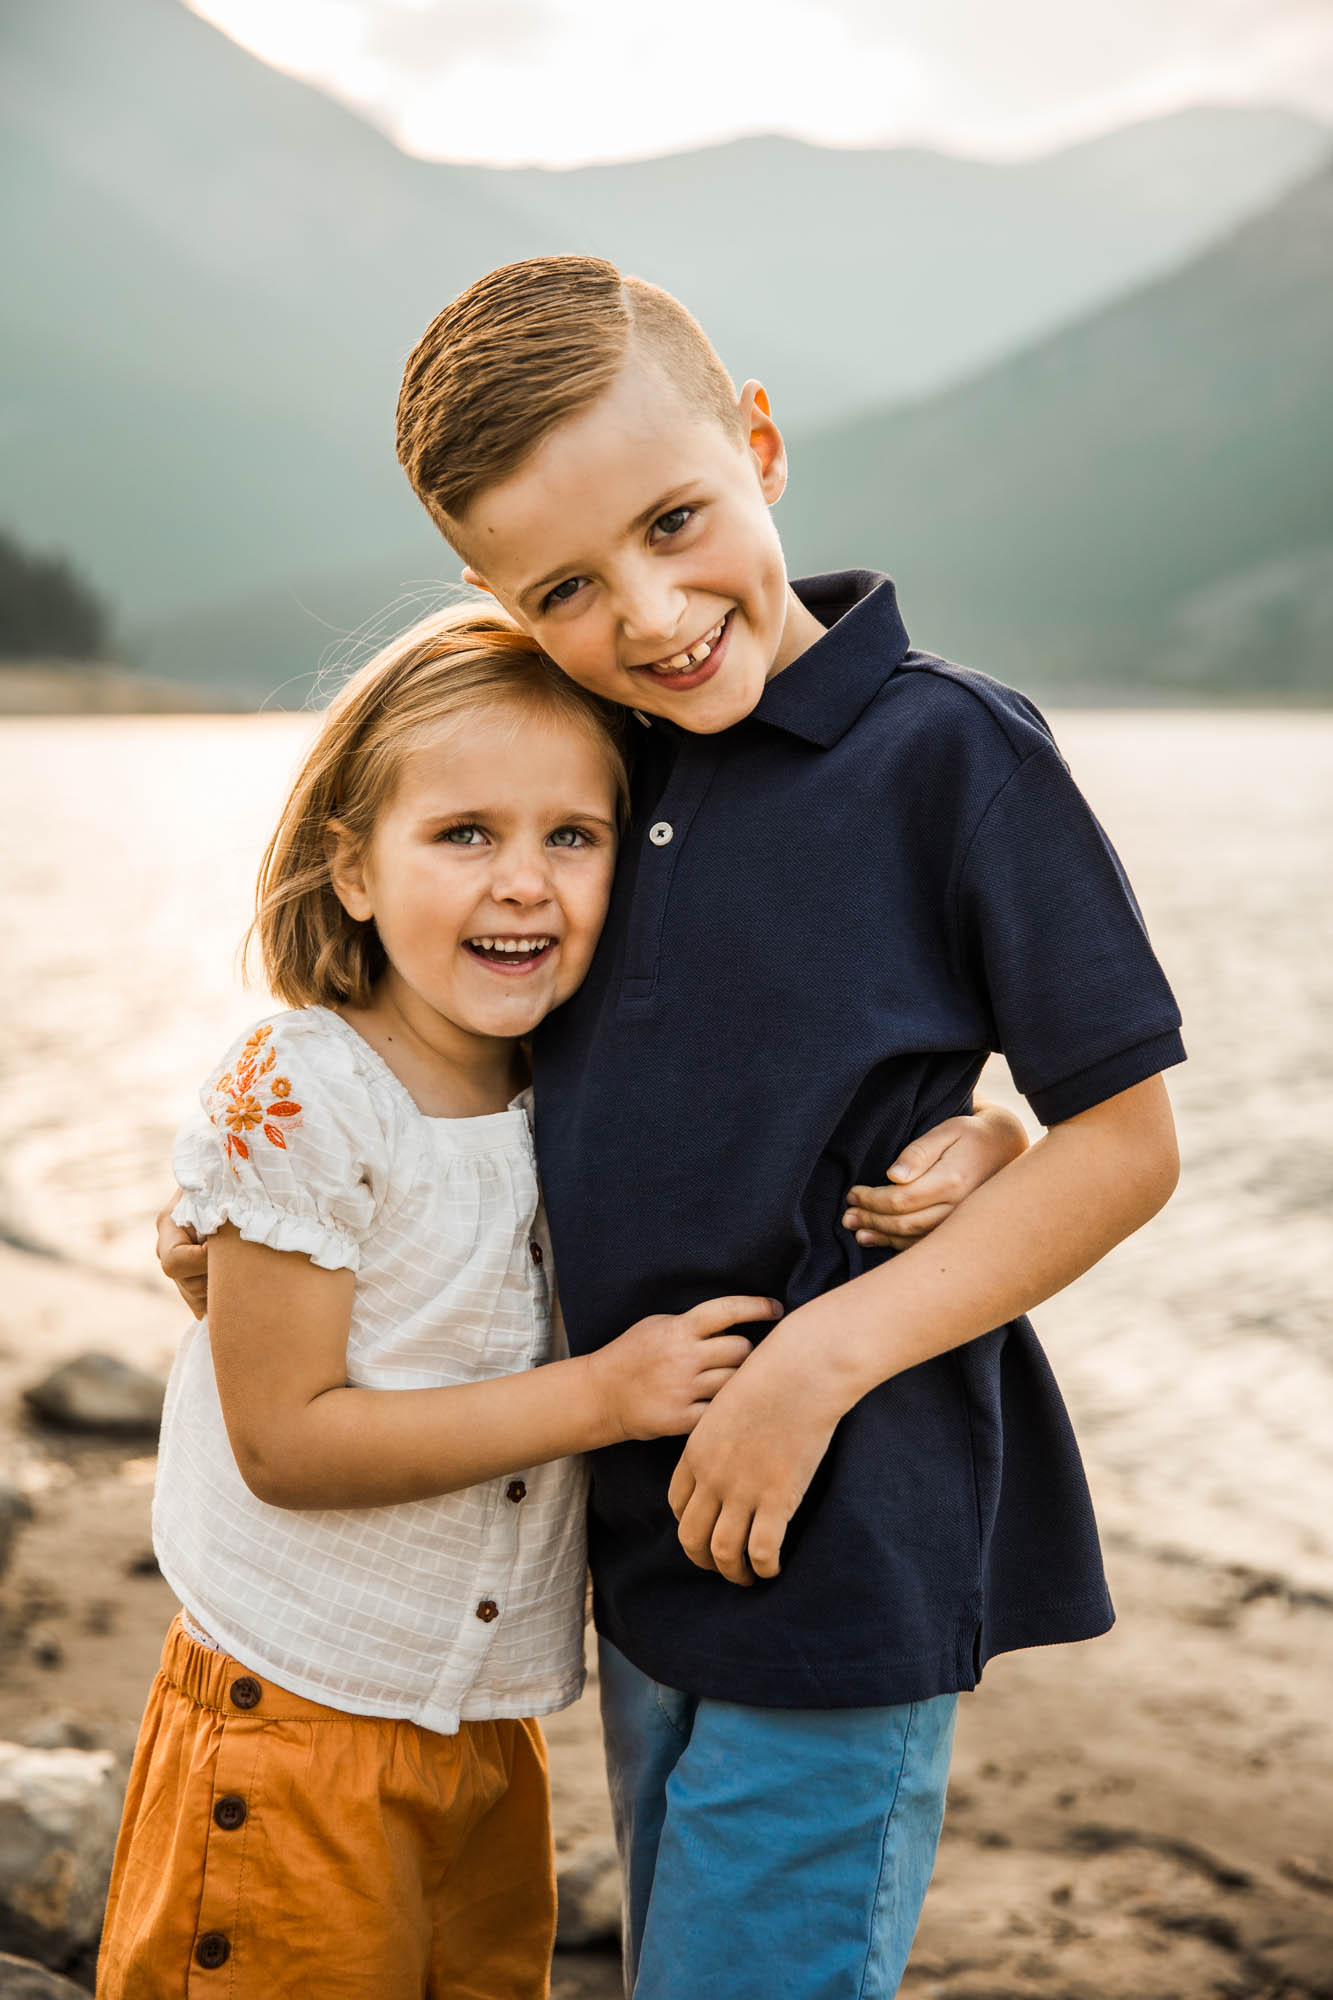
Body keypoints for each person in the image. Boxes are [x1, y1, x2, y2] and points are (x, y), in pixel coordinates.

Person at [388, 256, 1185, 1999]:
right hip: (638, 1534)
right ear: (496, 601)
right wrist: (268, 1189)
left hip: (848, 1524)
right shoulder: (591, 775)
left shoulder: (952, 756)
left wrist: (814, 1365)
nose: (652, 613)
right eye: (566, 589)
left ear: (756, 444)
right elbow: (476, 1040)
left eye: (675, 522)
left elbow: (1125, 1144)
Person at [131, 603, 1020, 2000]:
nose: (523, 885)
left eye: (572, 836)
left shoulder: (578, 1079)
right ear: (352, 868)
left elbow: (803, 1121)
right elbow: (285, 1443)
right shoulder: (300, 1090)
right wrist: (601, 1396)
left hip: (489, 1727)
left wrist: (990, 1141)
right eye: (462, 834)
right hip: (292, 1711)